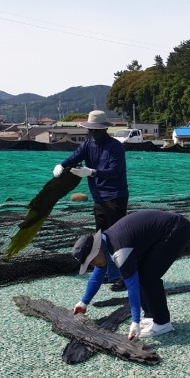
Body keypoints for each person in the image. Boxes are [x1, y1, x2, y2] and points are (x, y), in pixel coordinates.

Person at [71, 209, 190, 339]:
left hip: (176, 229)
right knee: (142, 274)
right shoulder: (103, 244)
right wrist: (83, 302)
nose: (92, 265)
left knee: (148, 276)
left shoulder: (119, 251)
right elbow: (96, 276)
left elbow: (132, 287)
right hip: (164, 229)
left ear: (96, 250)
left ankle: (162, 323)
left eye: (91, 261)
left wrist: (135, 321)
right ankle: (151, 315)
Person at [53, 110, 129, 286]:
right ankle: (109, 272)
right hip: (99, 198)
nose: (93, 133)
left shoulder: (115, 147)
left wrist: (92, 172)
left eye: (96, 130)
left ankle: (124, 276)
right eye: (91, 130)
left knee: (117, 238)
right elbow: (75, 157)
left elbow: (115, 171)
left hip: (115, 197)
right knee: (101, 238)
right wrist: (61, 165)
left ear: (104, 129)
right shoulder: (88, 145)